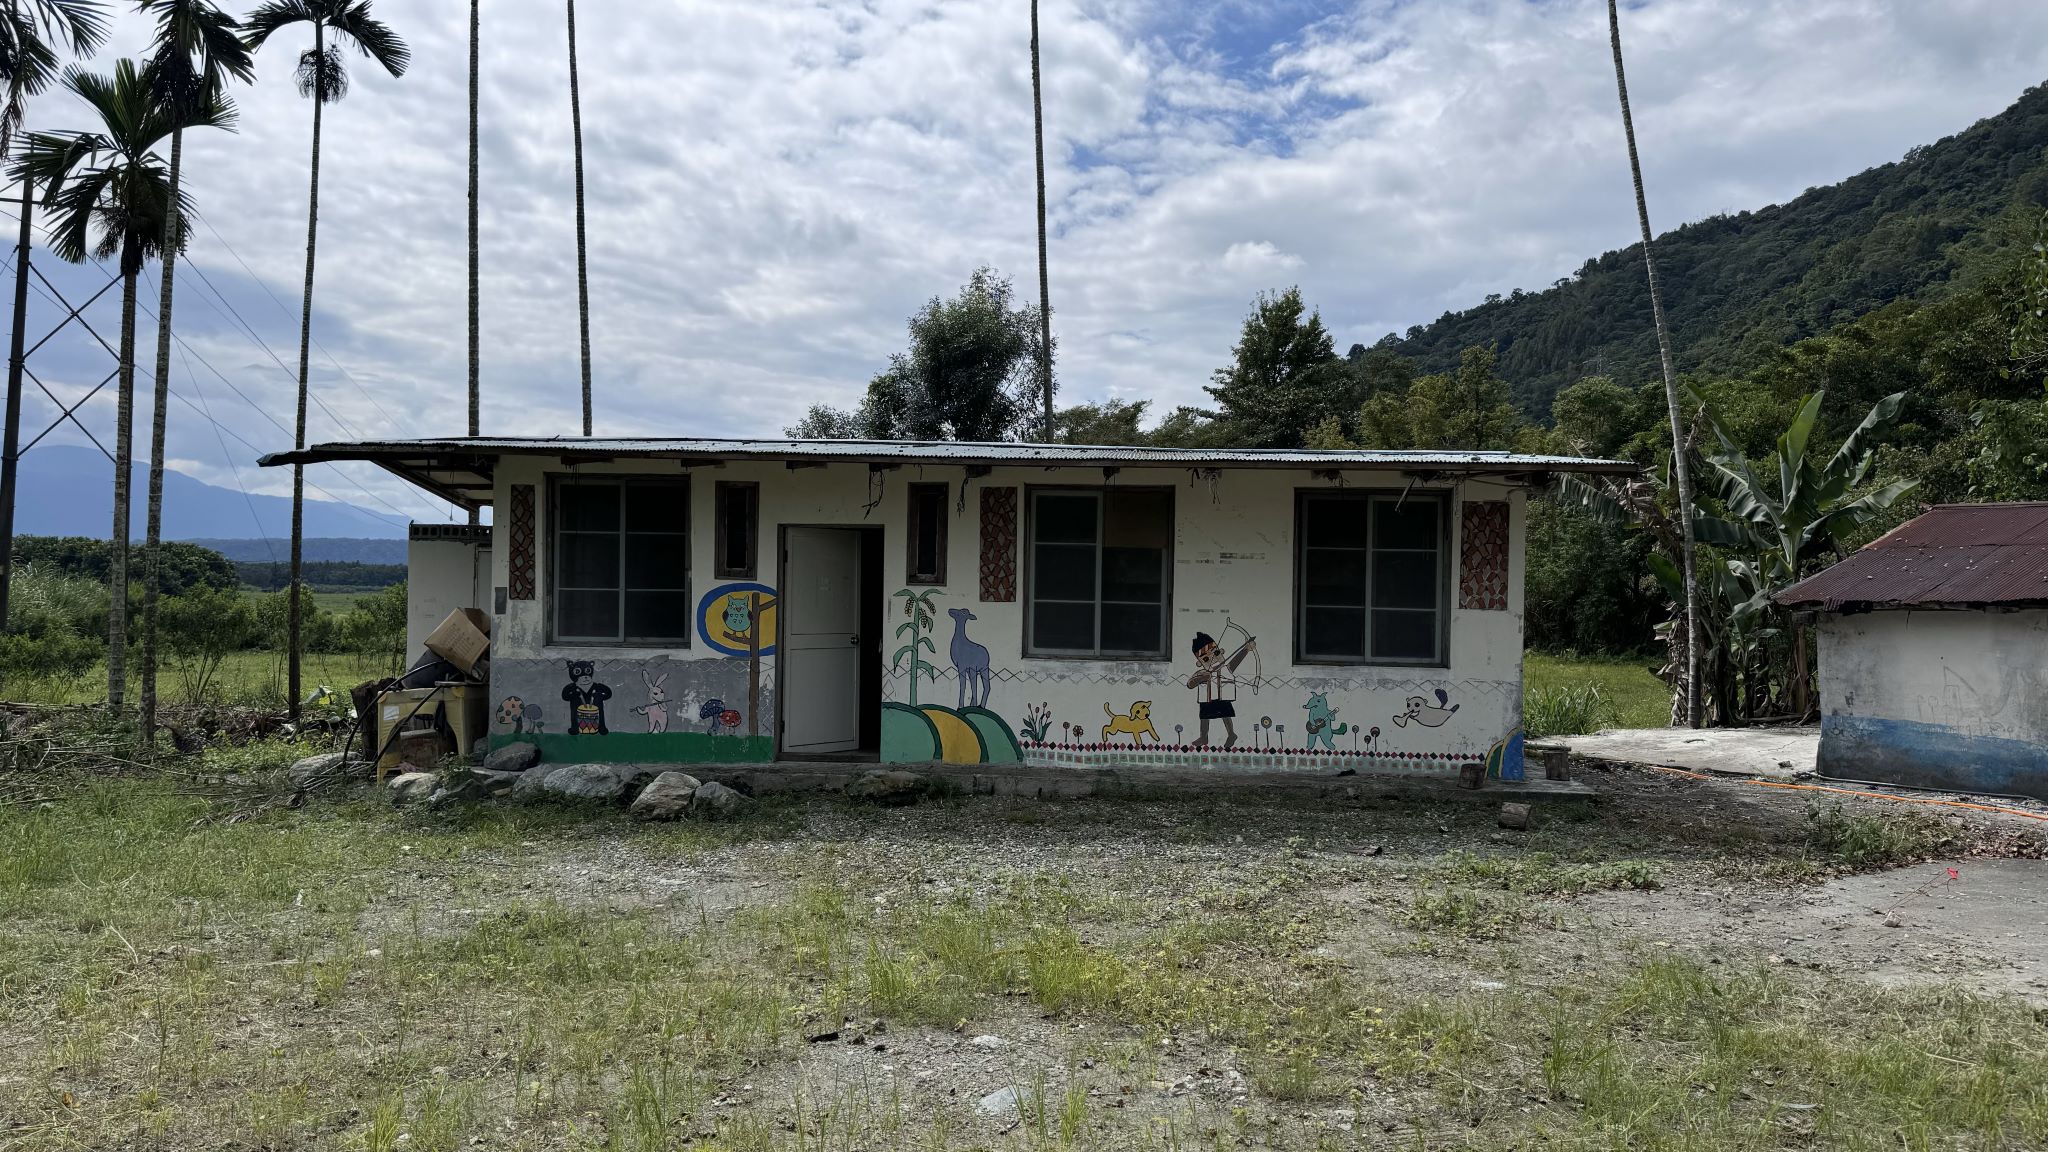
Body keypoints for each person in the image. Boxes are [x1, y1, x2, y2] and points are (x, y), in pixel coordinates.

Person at [1186, 630, 1253, 748]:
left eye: (1215, 653)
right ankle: (1203, 737)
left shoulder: (1226, 668)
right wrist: (1201, 677)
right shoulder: (1201, 672)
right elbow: (1190, 684)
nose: (1213, 659)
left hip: (1223, 697)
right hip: (1207, 699)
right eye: (1206, 659)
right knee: (1204, 718)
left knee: (1225, 715)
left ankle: (1231, 734)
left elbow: (1237, 660)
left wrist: (1246, 649)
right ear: (1199, 663)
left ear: (1220, 652)